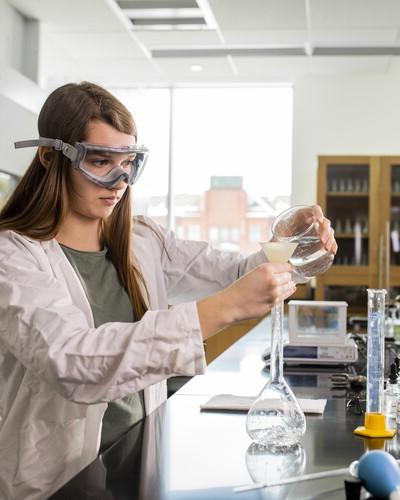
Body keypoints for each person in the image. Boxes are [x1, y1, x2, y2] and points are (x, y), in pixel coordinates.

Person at [0, 82, 337, 499]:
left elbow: (234, 272)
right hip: (53, 482)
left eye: (129, 163)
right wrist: (222, 309)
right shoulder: (13, 256)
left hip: (137, 468)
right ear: (50, 156)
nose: (119, 180)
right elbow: (71, 361)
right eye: (100, 161)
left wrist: (291, 244)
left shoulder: (142, 240)